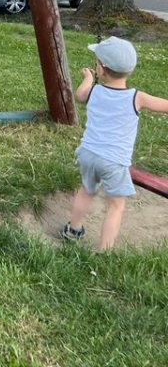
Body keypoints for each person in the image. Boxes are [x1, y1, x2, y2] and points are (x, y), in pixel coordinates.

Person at [61, 36, 168, 251]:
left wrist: (88, 78)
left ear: (101, 69)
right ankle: (105, 250)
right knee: (116, 205)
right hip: (114, 162)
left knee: (86, 190)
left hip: (88, 153)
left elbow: (80, 95)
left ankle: (73, 230)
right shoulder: (137, 98)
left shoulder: (94, 91)